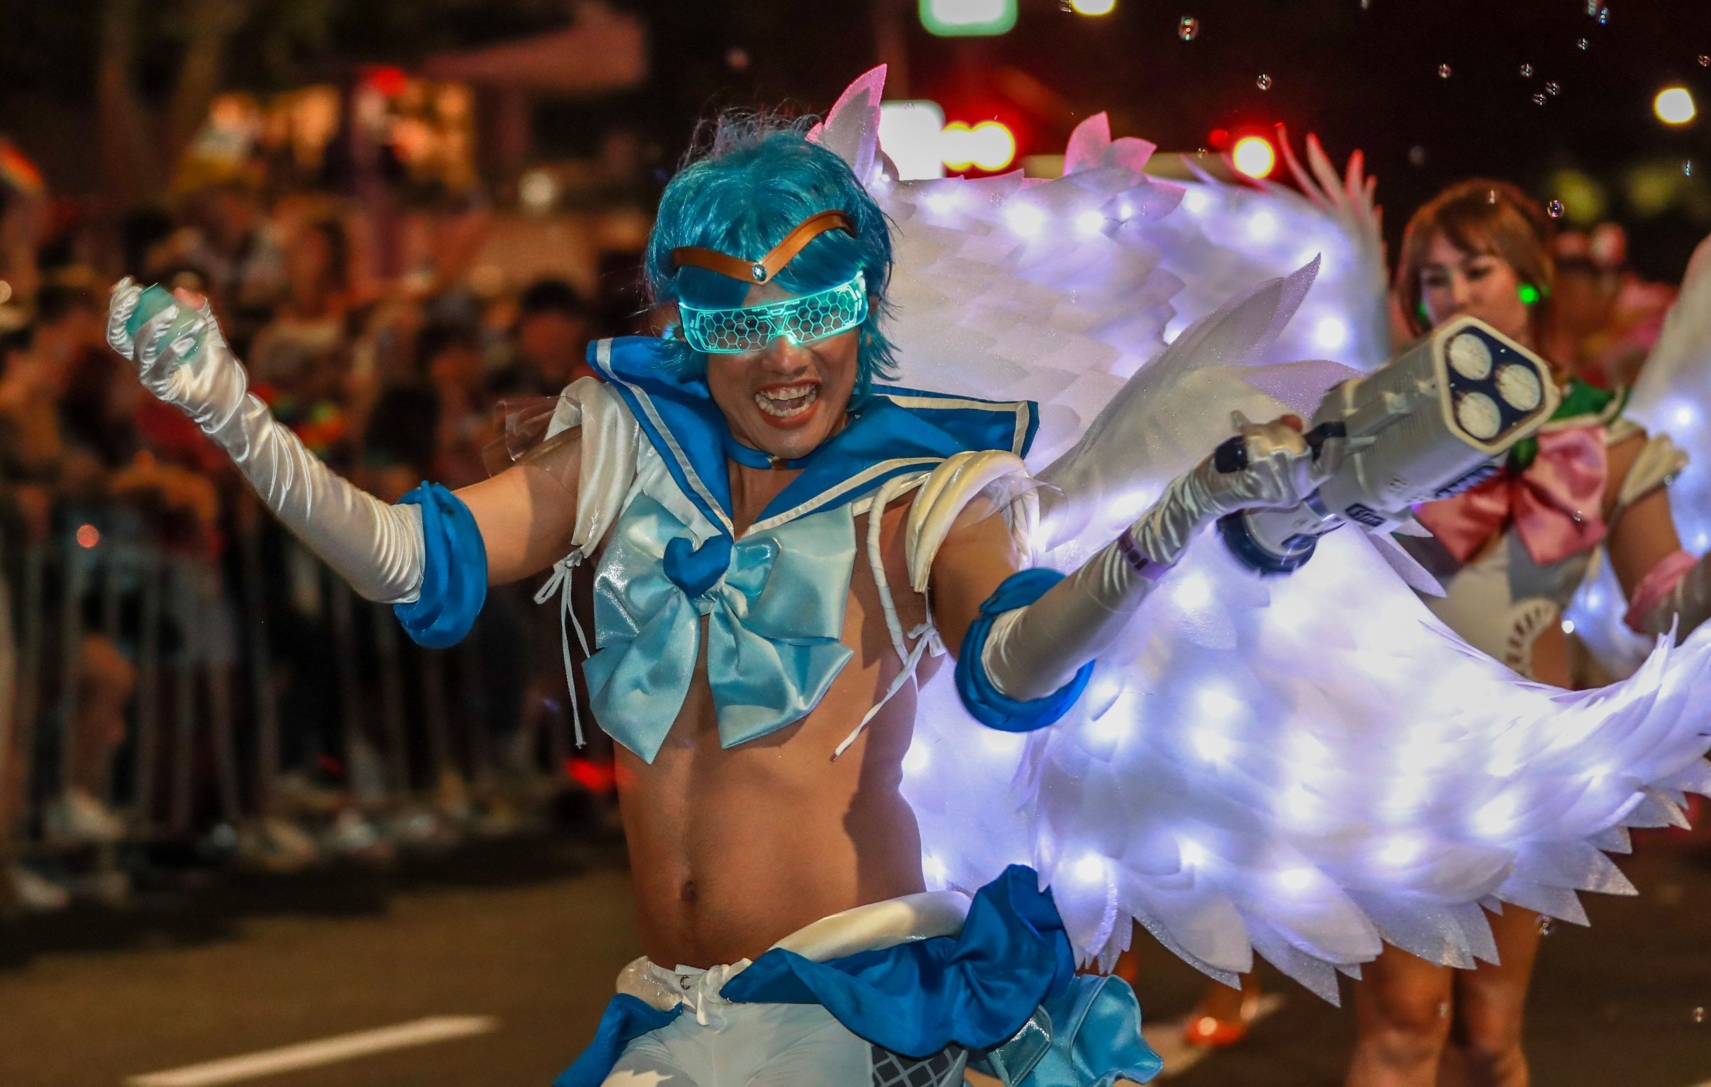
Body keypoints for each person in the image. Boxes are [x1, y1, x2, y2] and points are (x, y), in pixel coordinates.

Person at [110, 118, 1289, 1084]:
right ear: (686, 322)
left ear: (864, 309)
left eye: (817, 314)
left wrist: (1167, 532)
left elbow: (1018, 663)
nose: (787, 360)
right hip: (677, 1012)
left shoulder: (924, 485)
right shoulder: (626, 444)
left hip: (845, 1004)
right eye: (741, 322)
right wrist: (233, 412)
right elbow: (407, 558)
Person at [1318, 174, 1711, 1087]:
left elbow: (1663, 608)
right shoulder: (1374, 415)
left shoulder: (1604, 438)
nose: (1453, 294)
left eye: (1476, 270)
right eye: (1431, 278)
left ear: (1528, 280)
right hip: (1396, 757)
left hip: (1533, 761)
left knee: (1489, 1039)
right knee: (1401, 1026)